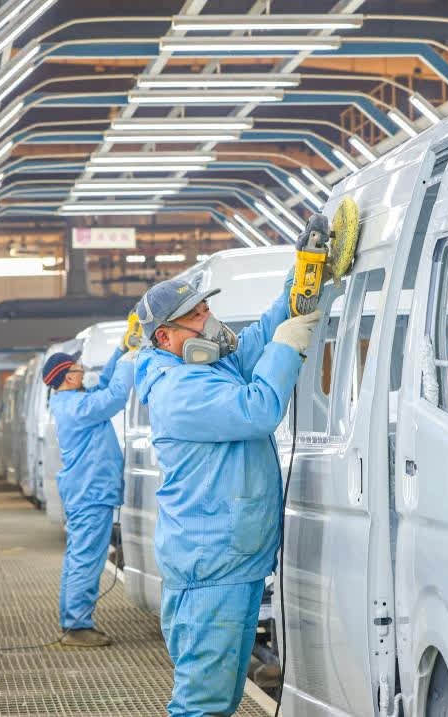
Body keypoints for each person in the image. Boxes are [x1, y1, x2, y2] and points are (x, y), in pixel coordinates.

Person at [133, 270, 321, 715]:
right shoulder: (179, 390)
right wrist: (287, 346)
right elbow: (257, 410)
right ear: (166, 336)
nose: (209, 320)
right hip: (211, 564)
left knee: (222, 698)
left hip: (230, 557)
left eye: (206, 308)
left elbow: (255, 341)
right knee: (203, 703)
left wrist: (300, 284)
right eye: (195, 316)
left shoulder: (206, 364)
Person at [42, 338, 135, 647]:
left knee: (80, 556)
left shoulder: (73, 401)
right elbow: (116, 396)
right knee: (86, 558)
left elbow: (105, 385)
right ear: (68, 376)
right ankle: (77, 626)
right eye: (78, 368)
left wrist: (122, 349)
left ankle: (74, 620)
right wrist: (130, 360)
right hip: (90, 491)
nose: (83, 371)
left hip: (87, 490)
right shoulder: (77, 407)